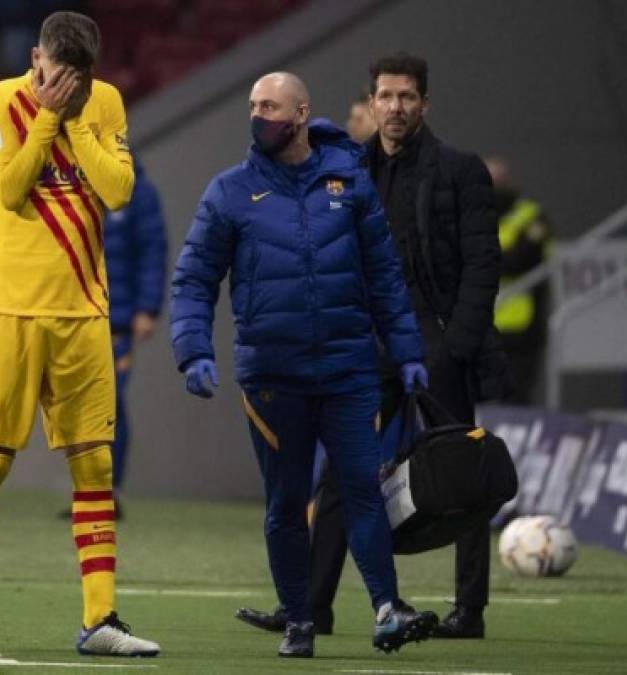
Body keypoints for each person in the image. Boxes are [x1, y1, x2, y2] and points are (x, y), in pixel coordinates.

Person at [236, 52, 506, 641]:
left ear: (424, 105)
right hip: (369, 341)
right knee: (341, 471)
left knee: (464, 471)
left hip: (438, 342)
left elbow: (485, 264)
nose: (396, 107)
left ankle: (470, 611)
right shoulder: (351, 169)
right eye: (386, 96)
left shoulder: (460, 170)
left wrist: (456, 344)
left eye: (407, 97)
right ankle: (312, 605)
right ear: (372, 103)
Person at [170, 71, 436, 658]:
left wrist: (408, 350)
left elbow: (384, 277)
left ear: (300, 113)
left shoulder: (350, 184)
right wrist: (192, 349)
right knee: (287, 502)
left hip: (347, 370)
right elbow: (194, 279)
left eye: (269, 105)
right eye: (252, 105)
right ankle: (298, 620)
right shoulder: (230, 192)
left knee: (362, 490)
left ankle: (387, 608)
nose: (258, 114)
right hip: (272, 376)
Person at [0, 11, 160, 657]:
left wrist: (74, 118)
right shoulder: (1, 100)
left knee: (93, 465)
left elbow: (117, 189)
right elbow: (3, 190)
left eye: (74, 79)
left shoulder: (104, 103)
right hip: (8, 312)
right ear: (35, 57)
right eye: (53, 75)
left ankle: (99, 619)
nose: (60, 86)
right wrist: (46, 117)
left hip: (83, 312)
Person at [102, 158, 167, 508]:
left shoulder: (138, 192)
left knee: (109, 401)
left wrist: (147, 308)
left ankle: (108, 488)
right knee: (81, 407)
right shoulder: (80, 181)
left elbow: (153, 250)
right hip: (80, 315)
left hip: (119, 319)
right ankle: (89, 487)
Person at [485, 157, 550, 406]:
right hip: (481, 327)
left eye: (498, 181)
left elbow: (522, 260)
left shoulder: (531, 216)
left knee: (516, 398)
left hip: (522, 327)